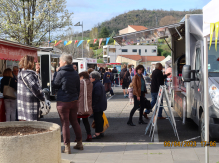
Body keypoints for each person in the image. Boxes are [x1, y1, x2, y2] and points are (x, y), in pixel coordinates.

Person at [53, 53, 83, 154]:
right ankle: (79, 143)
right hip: (74, 101)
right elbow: (78, 88)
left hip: (63, 101)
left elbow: (55, 85)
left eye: (60, 61)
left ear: (64, 62)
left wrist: (55, 73)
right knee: (74, 121)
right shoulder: (75, 73)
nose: (59, 63)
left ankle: (67, 147)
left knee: (65, 123)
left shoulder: (60, 73)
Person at [17, 55, 45, 121]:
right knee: (32, 125)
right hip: (30, 103)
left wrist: (37, 72)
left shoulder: (21, 73)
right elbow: (37, 89)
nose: (33, 64)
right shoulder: (29, 74)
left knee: (25, 124)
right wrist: (43, 98)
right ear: (30, 63)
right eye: (33, 62)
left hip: (22, 101)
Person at [90, 71, 107, 139]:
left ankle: (98, 133)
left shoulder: (96, 85)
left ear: (94, 78)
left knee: (98, 119)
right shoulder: (98, 84)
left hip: (98, 105)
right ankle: (101, 132)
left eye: (90, 77)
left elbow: (96, 96)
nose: (90, 79)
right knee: (100, 118)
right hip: (100, 104)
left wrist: (93, 105)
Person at [78, 71, 93, 142]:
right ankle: (89, 135)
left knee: (76, 122)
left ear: (82, 77)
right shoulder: (90, 84)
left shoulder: (80, 83)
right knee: (86, 121)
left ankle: (78, 137)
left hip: (79, 106)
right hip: (87, 106)